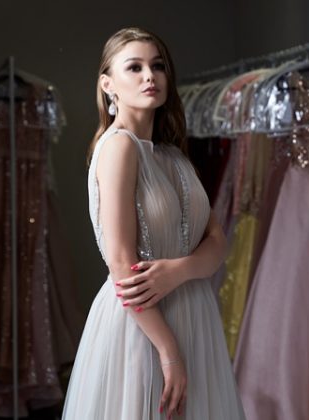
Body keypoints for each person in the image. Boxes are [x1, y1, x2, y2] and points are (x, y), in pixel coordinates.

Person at [62, 27, 245, 419]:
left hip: (195, 315)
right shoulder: (118, 148)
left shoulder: (173, 156)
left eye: (157, 66)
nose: (150, 76)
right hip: (145, 327)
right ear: (108, 85)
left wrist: (179, 271)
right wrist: (169, 351)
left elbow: (216, 240)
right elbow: (120, 261)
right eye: (135, 67)